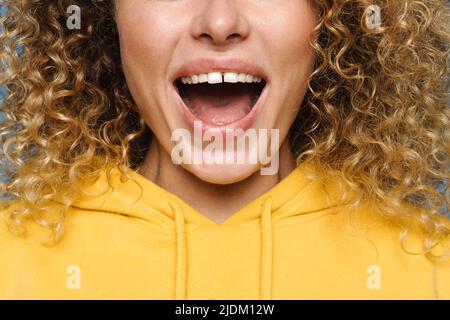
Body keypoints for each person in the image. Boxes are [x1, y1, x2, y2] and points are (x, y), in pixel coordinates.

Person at [0, 0, 448, 299]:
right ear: (108, 14)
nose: (219, 23)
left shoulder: (431, 273)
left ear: (330, 15)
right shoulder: (11, 264)